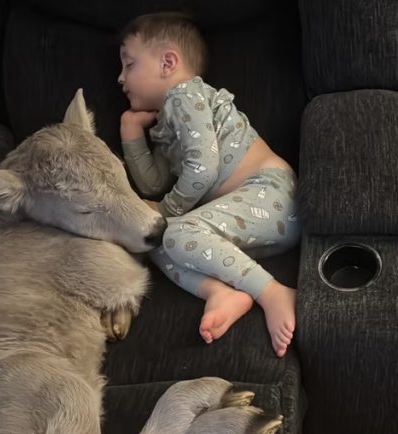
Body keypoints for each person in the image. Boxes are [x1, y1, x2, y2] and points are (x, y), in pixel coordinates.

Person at [118, 13, 299, 357]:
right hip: (246, 225)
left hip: (273, 195)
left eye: (129, 64)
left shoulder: (185, 95)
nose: (120, 77)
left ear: (168, 63)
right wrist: (131, 132)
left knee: (171, 230)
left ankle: (273, 292)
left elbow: (202, 169)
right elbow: (153, 183)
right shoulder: (166, 125)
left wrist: (167, 211)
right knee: (152, 240)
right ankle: (221, 291)